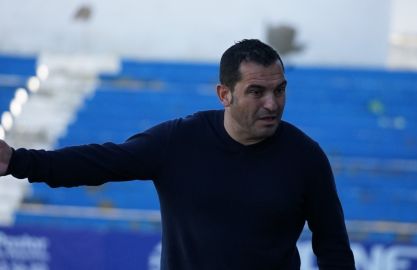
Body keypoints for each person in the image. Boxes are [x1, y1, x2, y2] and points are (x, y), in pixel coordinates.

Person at [0, 39, 355, 269]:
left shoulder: (305, 157)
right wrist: (17, 161)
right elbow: (100, 162)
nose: (272, 103)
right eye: (257, 91)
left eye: (279, 90)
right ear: (224, 94)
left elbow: (334, 246)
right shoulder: (178, 141)